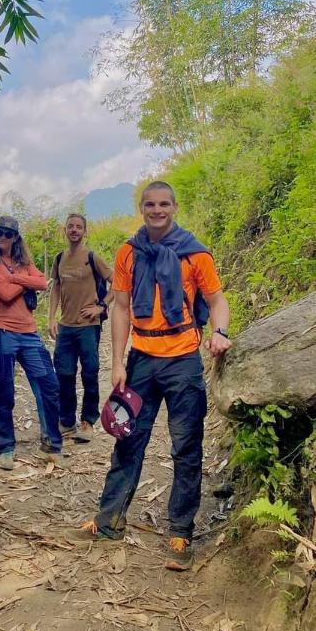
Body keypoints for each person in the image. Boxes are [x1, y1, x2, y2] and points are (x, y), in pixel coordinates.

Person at [77, 181, 231, 571]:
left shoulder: (194, 254)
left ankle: (180, 530)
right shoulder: (128, 253)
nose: (157, 210)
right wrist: (117, 363)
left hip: (183, 359)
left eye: (163, 204)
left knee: (186, 446)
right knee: (128, 439)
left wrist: (220, 331)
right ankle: (109, 518)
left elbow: (216, 300)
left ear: (174, 207)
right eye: (150, 204)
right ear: (141, 207)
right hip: (142, 358)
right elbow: (123, 308)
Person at [0, 215, 63, 471]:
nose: (3, 237)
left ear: (16, 237)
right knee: (4, 392)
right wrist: (24, 280)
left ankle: (51, 443)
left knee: (48, 384)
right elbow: (4, 295)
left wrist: (14, 277)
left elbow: (42, 282)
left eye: (8, 233)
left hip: (28, 333)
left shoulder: (23, 262)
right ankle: (6, 447)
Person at [48, 213, 113, 443]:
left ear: (85, 231)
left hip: (88, 326)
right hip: (65, 326)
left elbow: (117, 282)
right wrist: (51, 318)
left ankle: (88, 420)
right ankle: (66, 419)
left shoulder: (92, 257)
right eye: (70, 227)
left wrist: (101, 306)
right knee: (64, 374)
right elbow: (56, 287)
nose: (74, 230)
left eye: (79, 227)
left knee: (89, 373)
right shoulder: (59, 259)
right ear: (65, 230)